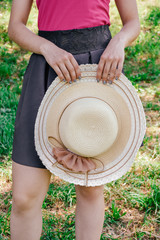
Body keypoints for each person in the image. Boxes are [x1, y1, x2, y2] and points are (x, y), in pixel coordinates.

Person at [8, 0, 140, 239]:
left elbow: (132, 22)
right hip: (47, 68)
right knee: (24, 197)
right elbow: (16, 26)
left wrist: (118, 42)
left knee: (90, 189)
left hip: (96, 70)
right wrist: (47, 48)